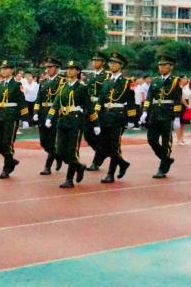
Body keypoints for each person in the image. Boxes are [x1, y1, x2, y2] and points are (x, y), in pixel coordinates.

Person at [45, 60, 96, 188]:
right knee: (60, 151)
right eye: (68, 68)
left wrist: (95, 123)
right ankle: (79, 166)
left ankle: (69, 179)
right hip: (62, 121)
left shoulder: (82, 87)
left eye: (72, 69)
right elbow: (56, 104)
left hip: (75, 121)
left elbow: (89, 107)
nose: (69, 71)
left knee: (72, 151)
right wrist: (49, 117)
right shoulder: (63, 87)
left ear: (78, 71)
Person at [93, 51, 136, 182]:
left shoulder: (127, 82)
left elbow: (131, 101)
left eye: (115, 63)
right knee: (104, 146)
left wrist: (131, 119)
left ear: (121, 65)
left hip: (118, 116)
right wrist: (96, 116)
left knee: (114, 145)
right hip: (105, 116)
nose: (112, 65)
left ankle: (110, 174)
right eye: (111, 63)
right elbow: (100, 100)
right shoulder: (106, 81)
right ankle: (122, 163)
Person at [140, 53, 183, 178]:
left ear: (171, 67)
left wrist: (177, 117)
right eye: (160, 65)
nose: (161, 67)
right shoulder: (155, 81)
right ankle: (166, 159)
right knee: (151, 139)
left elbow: (177, 100)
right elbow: (149, 97)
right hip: (155, 113)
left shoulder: (175, 81)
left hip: (167, 114)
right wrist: (145, 111)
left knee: (166, 142)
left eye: (164, 65)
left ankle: (163, 167)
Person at [0, 60, 27, 179]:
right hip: (0, 116)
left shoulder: (17, 84)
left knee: (7, 143)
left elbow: (22, 101)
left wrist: (24, 118)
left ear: (12, 70)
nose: (2, 71)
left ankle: (6, 168)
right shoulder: (1, 84)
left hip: (11, 117)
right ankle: (11, 160)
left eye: (6, 68)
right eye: (2, 68)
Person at [36, 57, 64, 175]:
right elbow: (38, 99)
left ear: (56, 68)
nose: (48, 69)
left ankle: (47, 166)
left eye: (50, 67)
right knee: (43, 142)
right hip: (43, 113)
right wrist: (35, 112)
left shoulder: (62, 82)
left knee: (52, 141)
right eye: (47, 67)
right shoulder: (44, 82)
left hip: (55, 114)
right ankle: (57, 156)